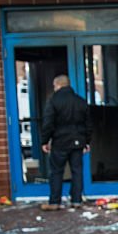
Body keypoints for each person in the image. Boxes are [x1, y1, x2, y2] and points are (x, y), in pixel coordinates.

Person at [39, 74, 91, 210]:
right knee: (77, 171)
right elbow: (88, 124)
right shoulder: (80, 101)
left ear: (58, 85)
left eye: (54, 86)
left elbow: (48, 122)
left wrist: (45, 140)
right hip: (77, 141)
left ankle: (54, 201)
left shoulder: (53, 101)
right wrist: (87, 142)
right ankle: (76, 200)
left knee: (56, 171)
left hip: (60, 142)